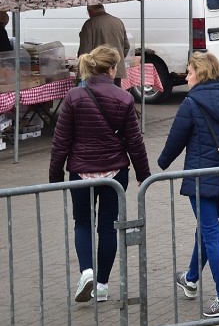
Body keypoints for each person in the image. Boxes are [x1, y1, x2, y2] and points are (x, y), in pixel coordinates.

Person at [48, 45, 150, 304]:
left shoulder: (73, 97)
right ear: (113, 68)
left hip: (81, 172)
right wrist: (143, 174)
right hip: (115, 174)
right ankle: (102, 285)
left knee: (82, 223)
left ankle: (87, 272)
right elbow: (134, 141)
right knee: (107, 227)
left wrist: (54, 176)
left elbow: (61, 141)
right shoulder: (124, 98)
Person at [157, 52, 219, 318]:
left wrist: (160, 164)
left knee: (212, 234)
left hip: (200, 180)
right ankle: (190, 279)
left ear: (199, 74)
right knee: (207, 229)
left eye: (188, 72)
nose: (185, 77)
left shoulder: (191, 103)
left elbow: (176, 140)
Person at [78, 4, 130, 86]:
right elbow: (126, 46)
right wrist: (114, 60)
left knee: (100, 97)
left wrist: (80, 73)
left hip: (98, 71)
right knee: (116, 96)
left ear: (90, 11)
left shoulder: (89, 24)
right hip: (116, 70)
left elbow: (85, 51)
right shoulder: (118, 22)